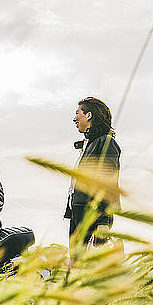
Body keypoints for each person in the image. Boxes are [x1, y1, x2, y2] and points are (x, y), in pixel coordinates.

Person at [64, 97, 121, 246]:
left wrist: (103, 222)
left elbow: (107, 184)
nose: (74, 118)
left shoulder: (106, 143)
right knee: (77, 268)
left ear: (88, 115)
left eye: (78, 113)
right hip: (78, 217)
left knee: (89, 267)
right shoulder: (90, 144)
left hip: (92, 219)